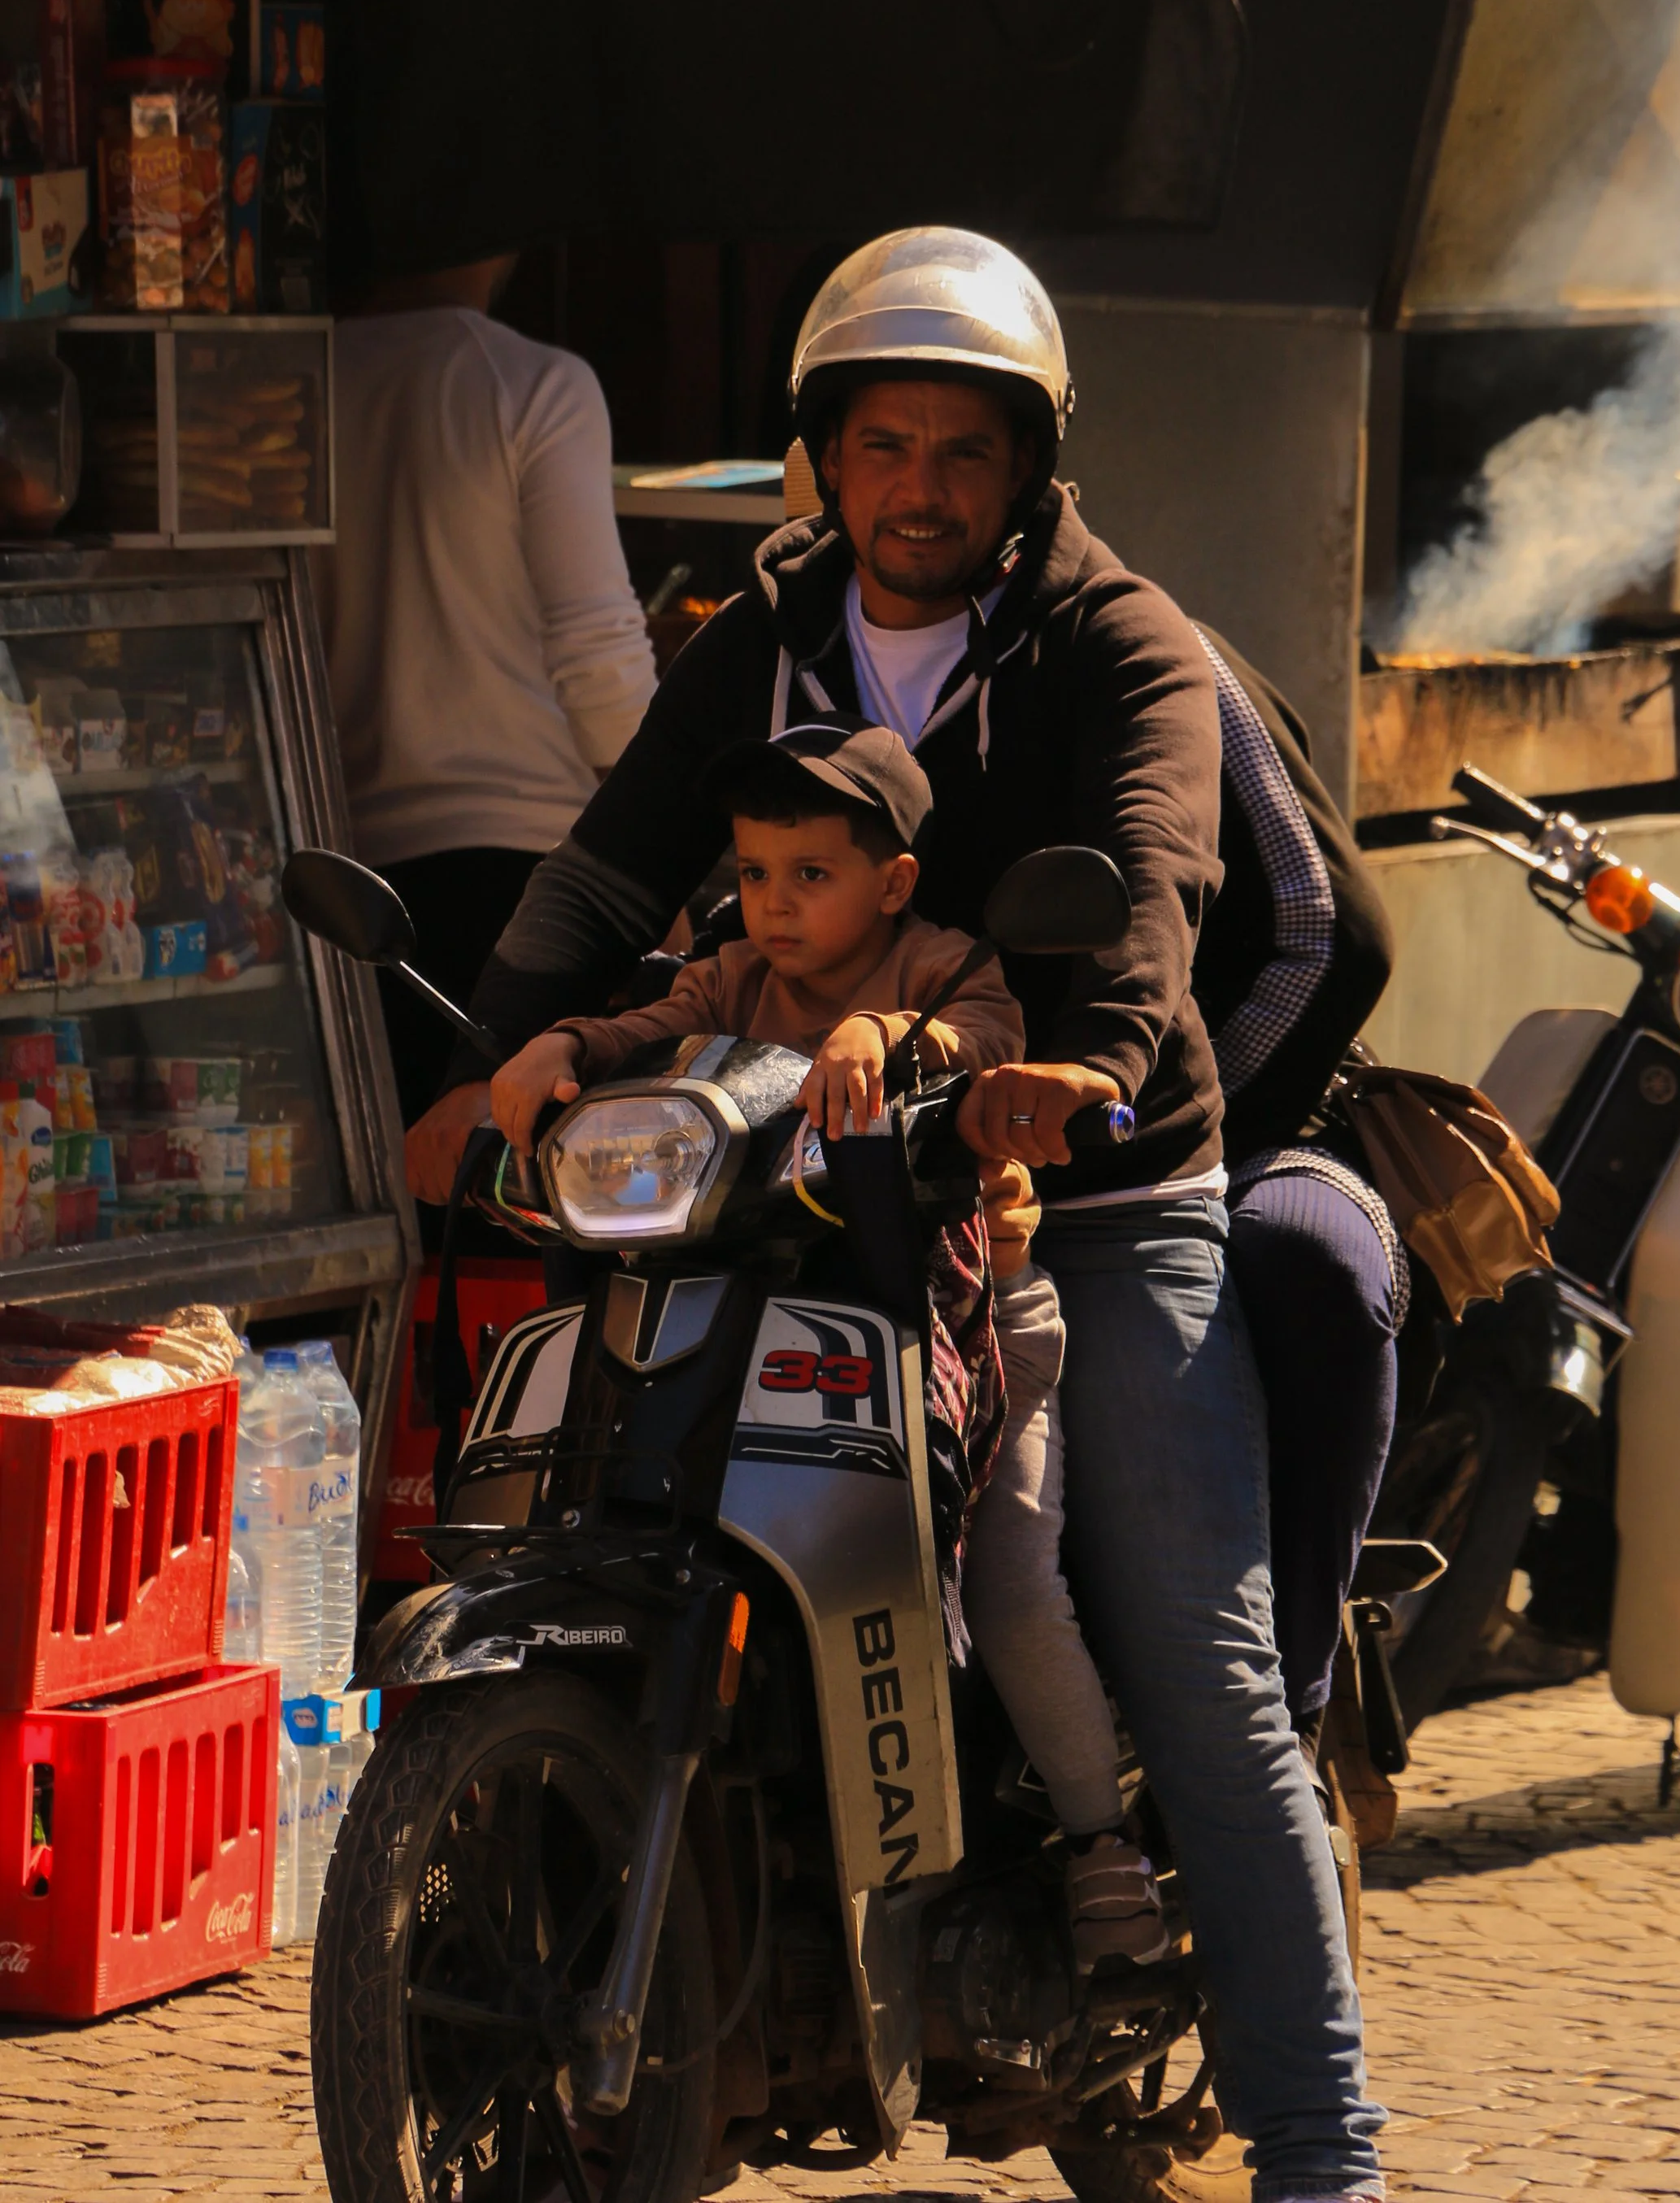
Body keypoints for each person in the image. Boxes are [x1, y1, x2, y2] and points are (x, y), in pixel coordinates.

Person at [420, 228, 1386, 2203]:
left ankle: (1323, 2150)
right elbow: (612, 868)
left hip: (1089, 1197)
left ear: (1028, 462)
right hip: (797, 1188)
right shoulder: (762, 636)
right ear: (825, 460)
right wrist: (491, 1058)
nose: (921, 485)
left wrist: (1084, 1066)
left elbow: (1148, 880)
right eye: (883, 442)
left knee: (1198, 1664)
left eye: (962, 447)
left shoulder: (1121, 637)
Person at [490, 712, 1171, 1974]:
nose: (775, 904)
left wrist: (887, 1036)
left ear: (893, 882)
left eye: (812, 873)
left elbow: (990, 1040)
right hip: (762, 1323)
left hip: (971, 1331)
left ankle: (1098, 1842)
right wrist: (560, 1045)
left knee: (1011, 1584)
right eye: (753, 873)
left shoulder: (945, 962)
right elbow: (643, 1030)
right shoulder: (732, 978)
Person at [311, 251, 655, 1138]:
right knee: (520, 1219)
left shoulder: (288, 379)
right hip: (537, 884)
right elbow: (600, 657)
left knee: (394, 1205)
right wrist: (664, 850)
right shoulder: (535, 382)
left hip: (339, 879)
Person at [1194, 630, 1409, 1756]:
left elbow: (1333, 931)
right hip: (908, 1147)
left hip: (1241, 1129)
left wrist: (1180, 1117)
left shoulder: (1156, 655)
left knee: (1309, 1260)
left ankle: (1285, 1716)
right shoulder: (775, 661)